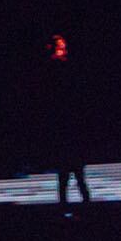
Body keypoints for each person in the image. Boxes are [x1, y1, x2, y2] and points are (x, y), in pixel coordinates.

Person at [43, 33, 93, 207]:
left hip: (70, 123)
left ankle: (84, 204)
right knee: (66, 175)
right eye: (60, 46)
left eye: (63, 46)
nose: (63, 49)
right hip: (63, 123)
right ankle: (68, 205)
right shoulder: (53, 67)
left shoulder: (67, 66)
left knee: (76, 174)